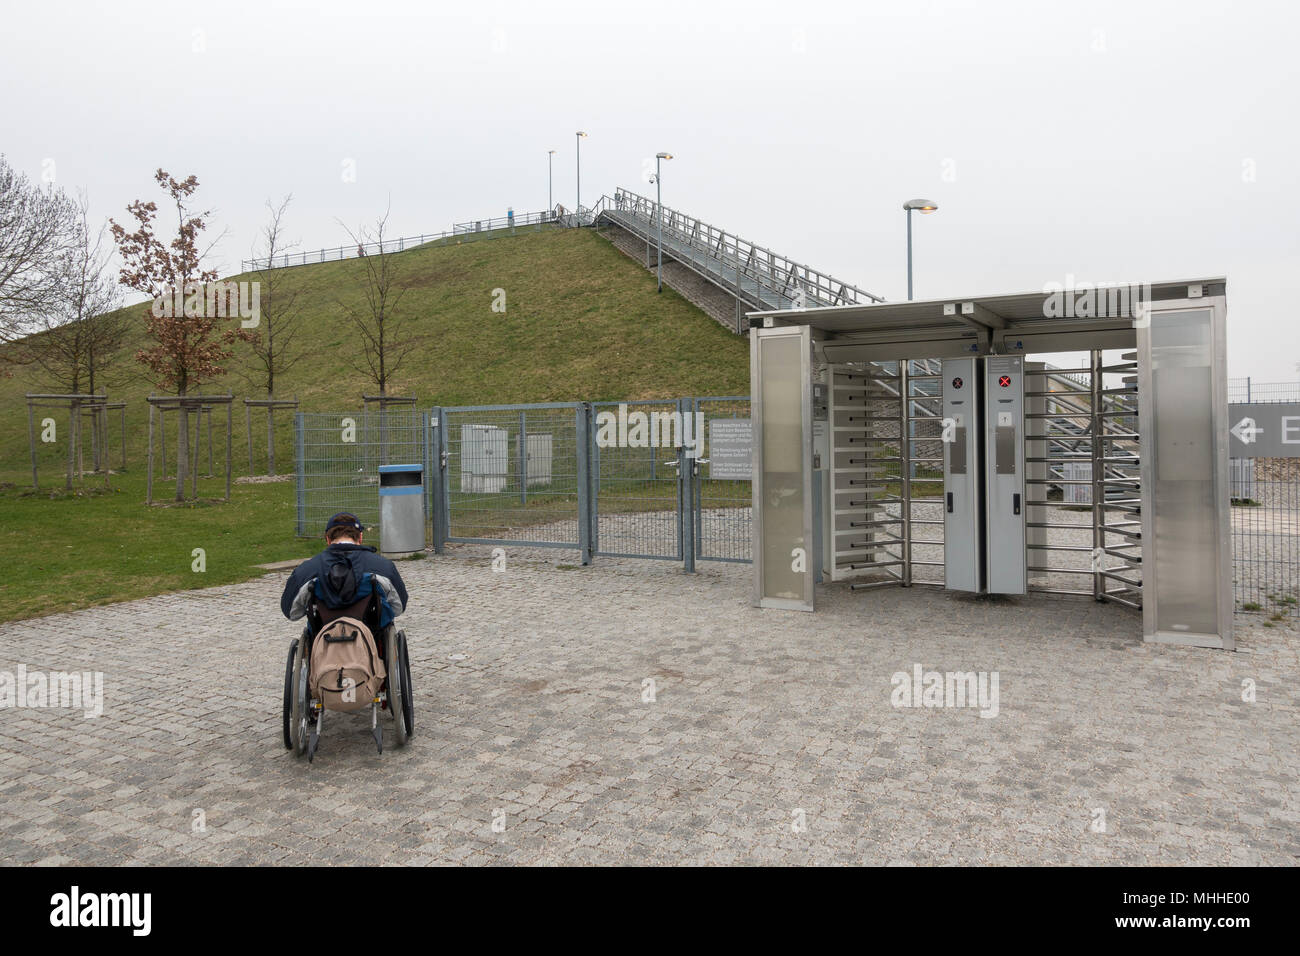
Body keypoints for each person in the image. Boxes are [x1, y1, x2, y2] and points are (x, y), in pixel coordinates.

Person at [280, 512, 409, 635]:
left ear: (328, 539)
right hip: (372, 636)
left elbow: (291, 612)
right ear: (360, 537)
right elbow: (398, 607)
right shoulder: (383, 567)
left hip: (323, 638)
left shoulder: (306, 571)